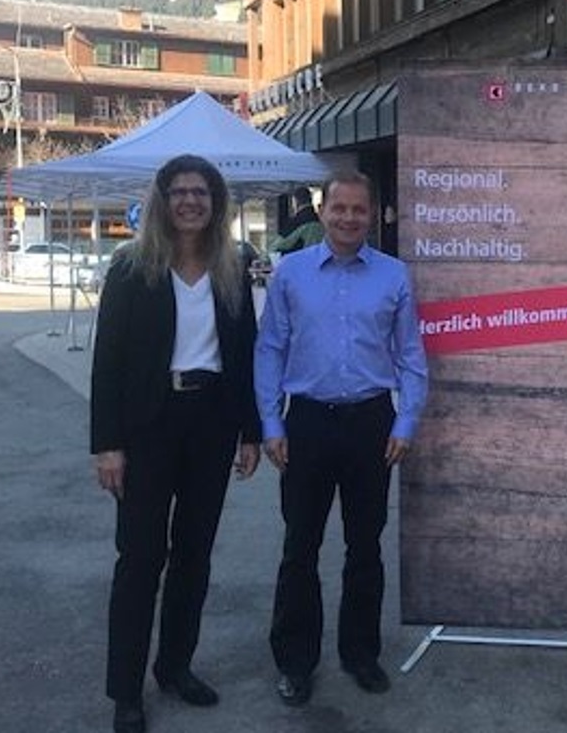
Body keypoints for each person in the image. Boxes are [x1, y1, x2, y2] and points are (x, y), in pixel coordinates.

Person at [91, 154, 262, 733]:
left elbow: (244, 358)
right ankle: (126, 691)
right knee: (140, 560)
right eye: (180, 192)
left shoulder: (231, 268)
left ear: (216, 205)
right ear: (162, 201)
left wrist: (251, 432)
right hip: (146, 430)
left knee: (193, 556)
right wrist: (107, 445)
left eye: (202, 193)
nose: (190, 201)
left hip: (210, 424)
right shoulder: (131, 268)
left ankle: (175, 667)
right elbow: (106, 363)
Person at [255, 169, 429, 707]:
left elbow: (411, 354)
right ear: (322, 211)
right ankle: (295, 661)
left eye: (359, 210)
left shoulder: (394, 275)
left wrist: (405, 422)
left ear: (371, 215)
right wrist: (271, 421)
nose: (349, 218)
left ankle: (360, 654)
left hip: (370, 425)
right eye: (339, 209)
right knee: (299, 548)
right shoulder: (290, 274)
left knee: (365, 546)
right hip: (306, 423)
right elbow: (270, 350)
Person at [270, 187, 324, 254]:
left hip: (303, 261)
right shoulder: (322, 220)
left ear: (295, 201)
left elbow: (278, 245)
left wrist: (264, 257)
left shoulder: (297, 222)